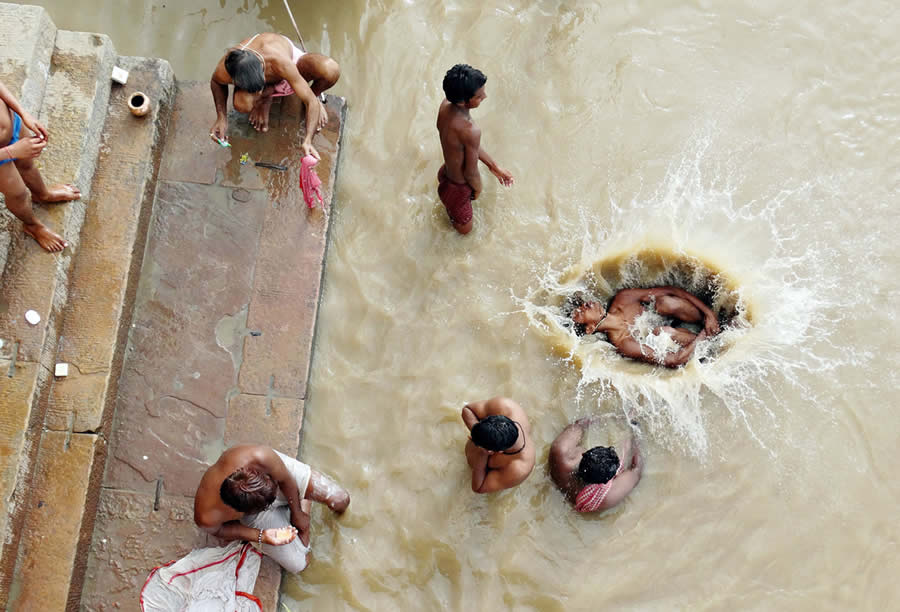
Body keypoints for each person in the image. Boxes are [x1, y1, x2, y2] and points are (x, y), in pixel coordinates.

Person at [193, 444, 350, 574]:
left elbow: (286, 480)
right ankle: (303, 506)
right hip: (254, 511)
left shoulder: (259, 457)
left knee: (340, 499)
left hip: (278, 481)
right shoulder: (207, 515)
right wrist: (262, 536)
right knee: (300, 565)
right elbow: (219, 531)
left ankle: (299, 504)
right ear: (240, 512)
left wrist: (297, 513)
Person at [210, 33, 341, 159]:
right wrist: (221, 117)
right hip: (266, 79)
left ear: (262, 69)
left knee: (331, 70)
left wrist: (308, 140)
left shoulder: (278, 61)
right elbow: (216, 82)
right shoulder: (227, 66)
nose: (257, 93)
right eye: (255, 92)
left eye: (258, 90)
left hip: (291, 65)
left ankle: (312, 92)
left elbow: (310, 101)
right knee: (241, 104)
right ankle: (266, 100)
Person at [0, 80, 81, 252]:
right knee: (18, 194)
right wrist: (11, 152)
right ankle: (32, 226)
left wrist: (22, 113)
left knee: (27, 165)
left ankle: (42, 194)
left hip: (12, 121)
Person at [436, 64, 513, 235]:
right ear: (463, 102)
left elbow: (467, 144)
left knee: (451, 212)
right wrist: (478, 190)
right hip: (458, 189)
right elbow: (471, 173)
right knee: (464, 233)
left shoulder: (445, 106)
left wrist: (494, 166)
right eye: (479, 96)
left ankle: (449, 210)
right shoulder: (470, 130)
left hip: (445, 175)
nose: (484, 96)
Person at [569, 286, 721, 368]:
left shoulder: (623, 299)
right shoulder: (624, 343)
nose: (584, 306)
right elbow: (675, 359)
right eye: (581, 313)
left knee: (665, 303)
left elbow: (672, 290)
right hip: (689, 340)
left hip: (690, 316)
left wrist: (709, 315)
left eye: (582, 305)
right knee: (662, 332)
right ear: (590, 329)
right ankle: (714, 337)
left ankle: (714, 320)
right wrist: (703, 335)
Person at [549, 418, 643, 512]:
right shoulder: (607, 497)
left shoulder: (560, 453)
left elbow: (579, 424)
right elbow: (636, 470)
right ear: (605, 482)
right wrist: (637, 433)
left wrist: (605, 418)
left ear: (584, 454)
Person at [462, 397, 535, 493]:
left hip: (485, 470)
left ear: (498, 452)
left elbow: (479, 488)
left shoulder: (518, 468)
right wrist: (476, 429)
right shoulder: (504, 406)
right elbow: (467, 409)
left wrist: (482, 455)